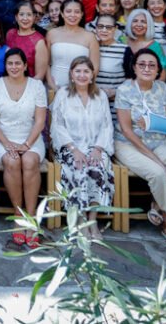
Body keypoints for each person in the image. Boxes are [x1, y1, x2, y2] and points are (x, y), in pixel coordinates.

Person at [114, 48, 166, 250]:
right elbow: (127, 131)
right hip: (128, 144)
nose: (147, 68)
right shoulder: (125, 89)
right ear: (134, 67)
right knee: (158, 173)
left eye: (152, 65)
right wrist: (155, 160)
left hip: (158, 141)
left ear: (158, 70)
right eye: (142, 64)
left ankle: (156, 204)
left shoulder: (163, 88)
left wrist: (153, 124)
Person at [0, 48, 48, 246]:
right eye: (10, 63)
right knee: (12, 160)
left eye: (17, 63)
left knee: (29, 160)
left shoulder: (37, 86)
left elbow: (39, 121)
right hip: (2, 137)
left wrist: (27, 144)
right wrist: (7, 143)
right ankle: (18, 214)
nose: (14, 67)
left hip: (31, 137)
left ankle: (31, 218)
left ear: (25, 65)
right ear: (5, 66)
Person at [51, 56, 115, 240]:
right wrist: (73, 149)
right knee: (79, 167)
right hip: (69, 147)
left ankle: (92, 220)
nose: (82, 75)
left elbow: (106, 125)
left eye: (86, 71)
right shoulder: (63, 94)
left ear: (92, 75)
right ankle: (79, 219)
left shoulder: (100, 95)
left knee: (97, 167)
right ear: (71, 74)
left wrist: (98, 148)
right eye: (78, 71)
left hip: (96, 146)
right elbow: (57, 125)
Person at [47, 0, 100, 94]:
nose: (72, 15)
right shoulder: (52, 34)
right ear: (62, 14)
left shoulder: (90, 37)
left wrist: (82, 85)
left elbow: (95, 67)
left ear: (82, 14)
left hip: (81, 88)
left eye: (77, 12)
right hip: (54, 85)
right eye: (68, 11)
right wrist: (52, 85)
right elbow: (45, 63)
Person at [5, 1, 49, 81]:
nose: (25, 18)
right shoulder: (10, 34)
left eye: (29, 15)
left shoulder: (39, 41)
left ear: (34, 17)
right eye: (21, 14)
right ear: (16, 17)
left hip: (30, 86)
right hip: (8, 81)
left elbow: (40, 75)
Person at [121, 8, 166, 80]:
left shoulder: (155, 46)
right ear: (130, 23)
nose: (139, 24)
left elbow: (162, 72)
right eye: (135, 21)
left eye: (143, 22)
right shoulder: (121, 41)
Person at [92, 14, 126, 98]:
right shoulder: (90, 48)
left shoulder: (125, 50)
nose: (104, 30)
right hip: (93, 102)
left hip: (115, 103)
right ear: (95, 28)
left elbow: (132, 79)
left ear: (115, 29)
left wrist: (116, 92)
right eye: (100, 26)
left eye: (108, 27)